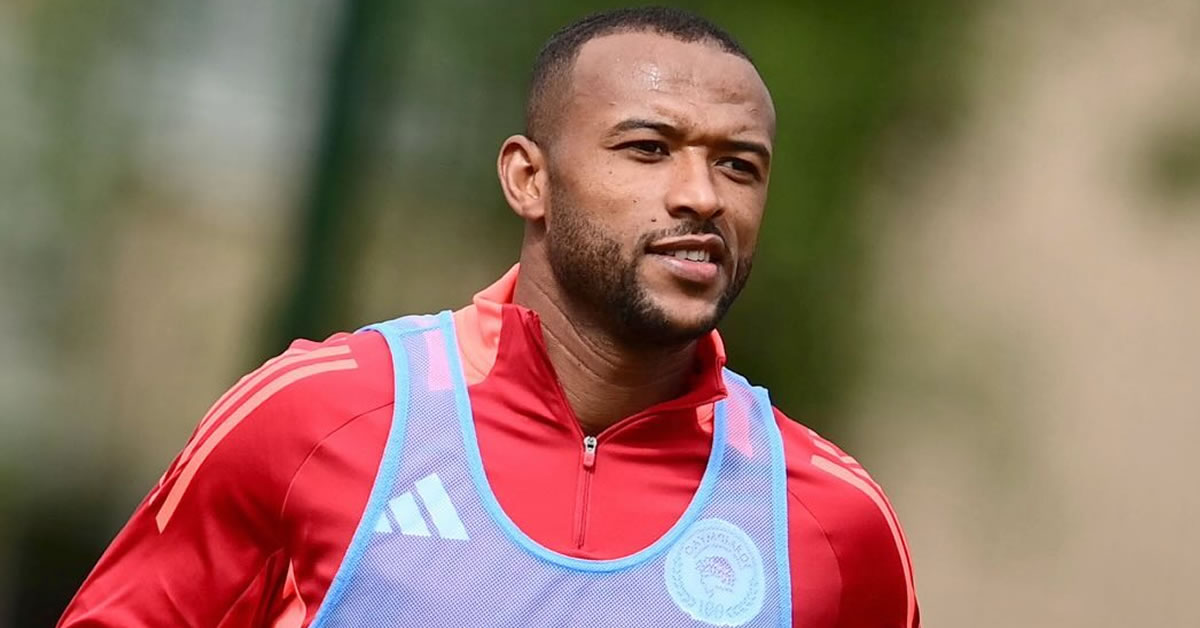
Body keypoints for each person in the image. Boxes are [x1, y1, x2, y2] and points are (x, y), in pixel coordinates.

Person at [60, 7, 917, 627]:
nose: (701, 196)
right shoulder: (318, 418)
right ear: (528, 179)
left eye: (738, 166)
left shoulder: (830, 522)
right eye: (648, 149)